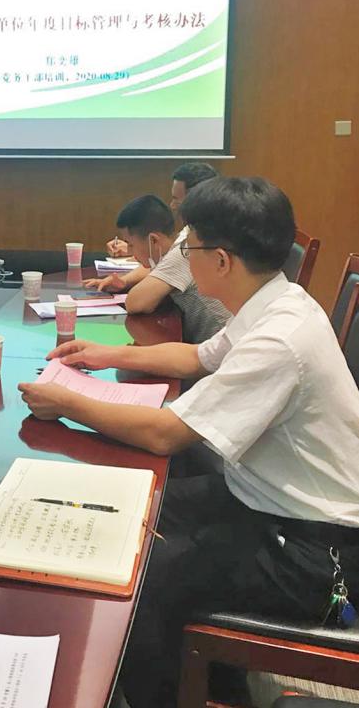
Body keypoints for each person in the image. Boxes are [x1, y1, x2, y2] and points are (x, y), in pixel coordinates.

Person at [19, 177, 359, 708]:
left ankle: (179, 692)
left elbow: (165, 434)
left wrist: (67, 403)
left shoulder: (279, 338)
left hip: (316, 552)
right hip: (266, 502)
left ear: (221, 261)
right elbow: (197, 357)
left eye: (189, 247)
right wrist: (107, 355)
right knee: (136, 510)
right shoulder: (276, 301)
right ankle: (214, 680)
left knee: (139, 580)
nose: (181, 258)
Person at [103, 194, 230, 342]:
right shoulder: (180, 240)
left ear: (153, 240)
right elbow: (155, 270)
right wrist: (124, 281)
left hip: (221, 349)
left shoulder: (181, 254)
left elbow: (135, 303)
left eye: (131, 244)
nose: (129, 250)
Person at [105, 161, 218, 258]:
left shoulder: (197, 244)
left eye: (176, 200)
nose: (172, 206)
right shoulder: (190, 231)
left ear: (196, 201)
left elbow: (167, 264)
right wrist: (135, 248)